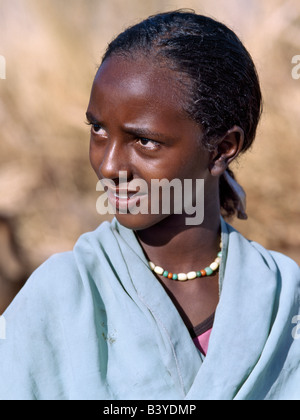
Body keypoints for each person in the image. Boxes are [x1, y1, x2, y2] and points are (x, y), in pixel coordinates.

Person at [0, 10, 299, 401]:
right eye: (98, 129)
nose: (108, 166)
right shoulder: (59, 297)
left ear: (223, 149)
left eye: (144, 142)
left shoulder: (282, 302)